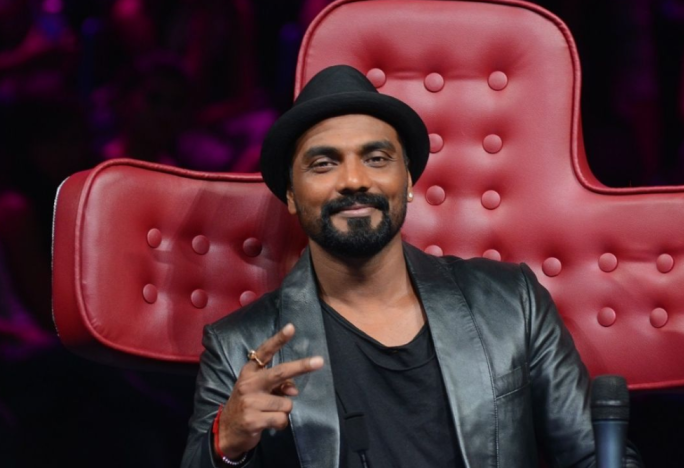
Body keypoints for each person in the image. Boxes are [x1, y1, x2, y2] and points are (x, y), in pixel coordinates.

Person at [181, 65, 643, 468]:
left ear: (407, 181)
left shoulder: (511, 302)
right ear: (290, 195)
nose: (354, 180)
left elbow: (594, 456)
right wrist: (227, 445)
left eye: (376, 158)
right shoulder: (239, 346)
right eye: (323, 164)